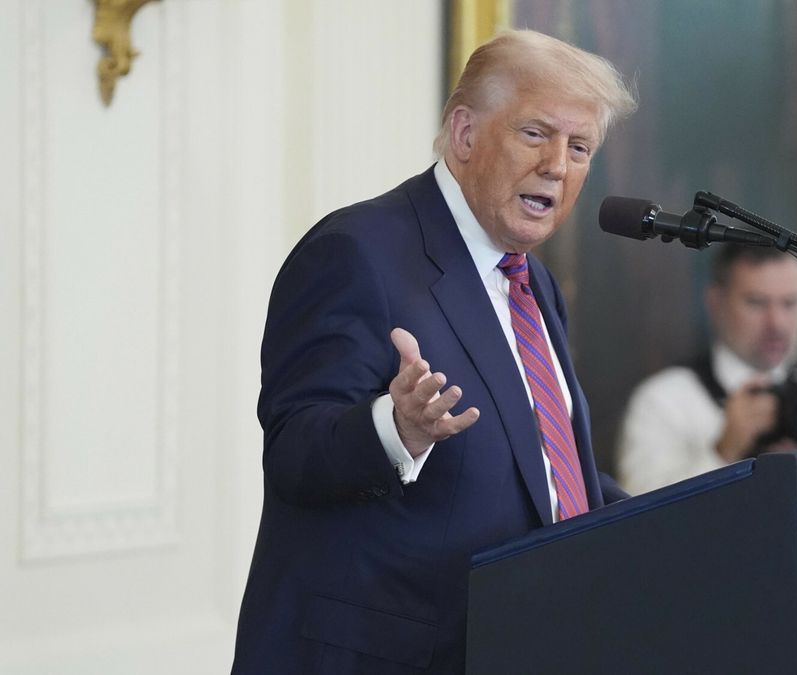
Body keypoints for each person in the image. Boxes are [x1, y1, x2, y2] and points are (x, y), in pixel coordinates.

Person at [231, 30, 636, 674]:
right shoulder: (356, 251)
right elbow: (293, 452)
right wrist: (396, 429)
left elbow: (543, 472)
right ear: (465, 133)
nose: (558, 165)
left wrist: (679, 517)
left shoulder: (532, 283)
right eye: (535, 133)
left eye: (579, 147)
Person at [616, 245, 797, 495]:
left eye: (790, 303)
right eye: (756, 303)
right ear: (716, 303)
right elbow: (637, 519)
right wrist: (723, 452)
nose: (777, 323)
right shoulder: (664, 402)